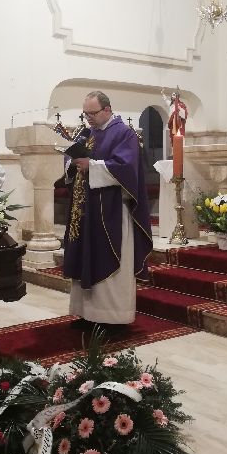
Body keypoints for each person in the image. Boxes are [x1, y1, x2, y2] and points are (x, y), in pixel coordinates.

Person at [62, 91, 153, 333]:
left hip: (110, 212)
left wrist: (91, 166)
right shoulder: (86, 133)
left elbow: (126, 168)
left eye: (92, 113)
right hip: (86, 211)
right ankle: (87, 314)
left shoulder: (124, 133)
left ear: (107, 109)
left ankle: (113, 319)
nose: (88, 118)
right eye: (85, 114)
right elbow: (71, 159)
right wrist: (71, 163)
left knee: (110, 260)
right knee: (85, 258)